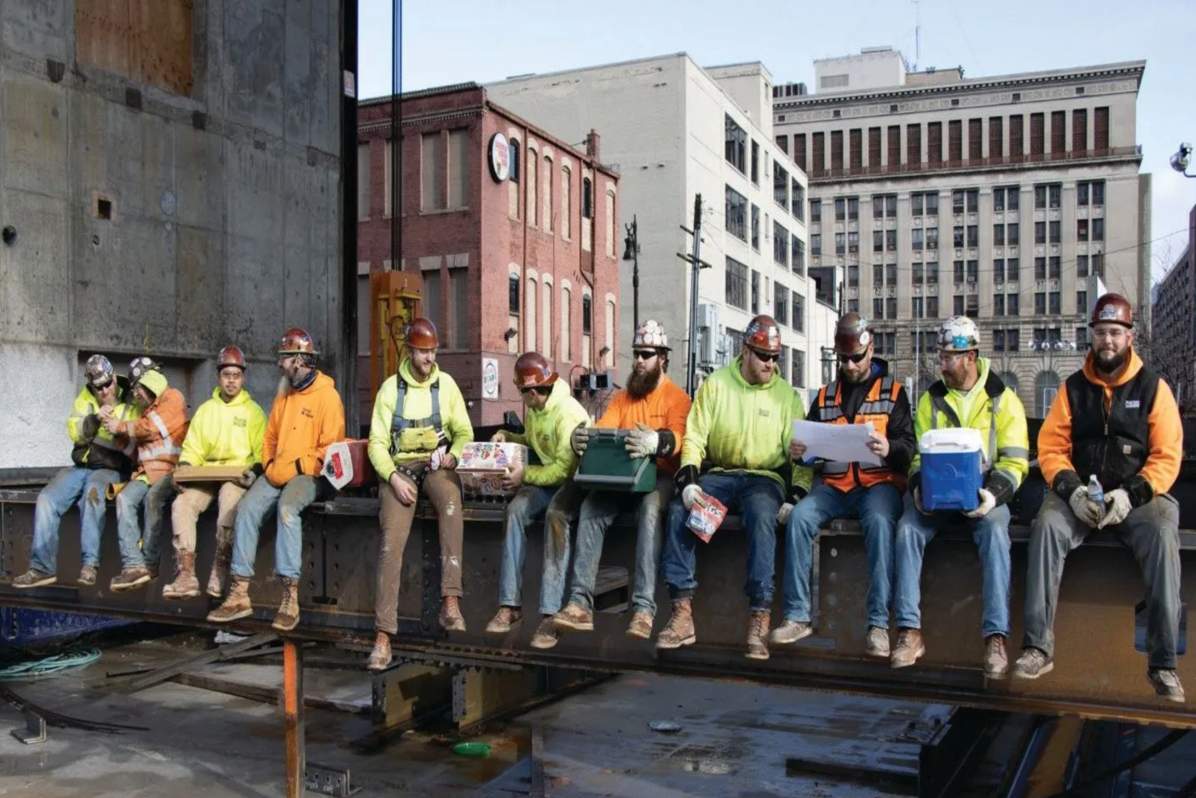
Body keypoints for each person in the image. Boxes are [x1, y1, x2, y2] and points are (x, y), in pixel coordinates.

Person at [1014, 294, 1185, 702]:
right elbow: (1051, 447)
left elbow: (1167, 455)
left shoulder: (1153, 388)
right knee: (1048, 526)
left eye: (1115, 333)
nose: (1107, 341)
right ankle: (1038, 647)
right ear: (1091, 337)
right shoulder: (1073, 389)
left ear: (1130, 337)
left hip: (1136, 496)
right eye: (1100, 333)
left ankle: (1163, 664)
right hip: (1082, 495)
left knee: (1163, 533)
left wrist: (1131, 494)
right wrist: (1071, 493)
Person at [656, 315, 812, 660]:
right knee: (684, 512)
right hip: (721, 477)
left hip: (764, 479)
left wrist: (796, 494)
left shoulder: (786, 397)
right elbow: (695, 435)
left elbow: (801, 455)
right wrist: (689, 479)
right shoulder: (716, 385)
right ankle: (682, 614)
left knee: (761, 516)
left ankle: (759, 616)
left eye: (775, 357)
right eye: (763, 356)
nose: (770, 364)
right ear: (745, 350)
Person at [891, 316, 1029, 677]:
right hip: (936, 494)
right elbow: (917, 455)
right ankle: (908, 631)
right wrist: (919, 486)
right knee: (907, 529)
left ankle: (995, 637)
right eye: (941, 356)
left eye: (949, 356)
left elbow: (1016, 461)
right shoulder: (930, 401)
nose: (942, 363)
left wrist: (994, 495)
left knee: (997, 534)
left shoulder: (1004, 401)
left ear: (971, 356)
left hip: (984, 494)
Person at [777, 313, 914, 656]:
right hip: (835, 487)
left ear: (871, 352)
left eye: (856, 358)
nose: (850, 366)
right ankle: (796, 616)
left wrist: (889, 448)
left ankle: (878, 624)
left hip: (878, 485)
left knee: (881, 523)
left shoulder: (893, 394)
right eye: (844, 359)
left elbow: (909, 450)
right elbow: (810, 449)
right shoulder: (825, 396)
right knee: (799, 518)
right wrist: (800, 452)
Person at [553, 320, 691, 640]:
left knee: (651, 510)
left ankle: (643, 608)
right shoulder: (622, 398)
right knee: (591, 507)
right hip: (623, 476)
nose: (639, 360)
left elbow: (681, 439)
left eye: (646, 354)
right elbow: (603, 429)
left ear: (662, 359)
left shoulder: (676, 399)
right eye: (636, 354)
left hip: (659, 476)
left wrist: (656, 443)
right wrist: (581, 438)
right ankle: (579, 604)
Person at [207, 327, 345, 631]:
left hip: (310, 475)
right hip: (277, 470)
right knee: (245, 509)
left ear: (298, 360)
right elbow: (269, 437)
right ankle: (239, 593)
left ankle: (289, 597)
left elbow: (329, 451)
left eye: (283, 359)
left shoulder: (328, 397)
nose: (279, 365)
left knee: (286, 509)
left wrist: (294, 467)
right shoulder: (284, 395)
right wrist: (269, 463)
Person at [366, 318, 475, 671]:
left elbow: (464, 432)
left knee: (450, 503)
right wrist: (393, 478)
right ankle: (383, 636)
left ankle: (450, 601)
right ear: (410, 351)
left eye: (433, 352)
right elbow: (377, 445)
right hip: (399, 471)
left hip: (436, 465)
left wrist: (454, 456)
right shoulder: (388, 390)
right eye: (423, 352)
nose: (429, 358)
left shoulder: (446, 387)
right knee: (390, 544)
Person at [485, 352, 590, 650]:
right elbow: (533, 443)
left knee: (556, 517)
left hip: (575, 482)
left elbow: (563, 470)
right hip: (546, 476)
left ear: (532, 391)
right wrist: (507, 435)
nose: (521, 396)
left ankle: (550, 611)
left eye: (521, 391)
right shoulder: (535, 409)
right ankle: (510, 605)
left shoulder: (566, 414)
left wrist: (524, 475)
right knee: (516, 509)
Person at [13, 356, 137, 588]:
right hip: (82, 466)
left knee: (91, 496)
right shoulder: (85, 398)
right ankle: (42, 568)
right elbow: (75, 430)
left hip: (111, 468)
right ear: (92, 386)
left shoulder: (130, 399)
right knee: (46, 499)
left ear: (113, 378)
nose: (105, 391)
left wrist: (119, 428)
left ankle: (90, 564)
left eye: (108, 384)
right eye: (98, 387)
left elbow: (137, 438)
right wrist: (94, 419)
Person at [164, 346, 267, 600]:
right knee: (182, 504)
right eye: (226, 374)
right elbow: (193, 448)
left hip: (236, 476)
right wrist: (186, 467)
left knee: (229, 504)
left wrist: (253, 471)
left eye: (236, 375)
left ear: (243, 378)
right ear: (218, 377)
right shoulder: (205, 411)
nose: (231, 380)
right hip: (207, 474)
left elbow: (261, 452)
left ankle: (220, 568)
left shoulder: (253, 413)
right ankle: (185, 574)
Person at [109, 357, 190, 592]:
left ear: (149, 382)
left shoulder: (172, 398)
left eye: (136, 389)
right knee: (124, 498)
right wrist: (116, 435)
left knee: (153, 498)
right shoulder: (146, 411)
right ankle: (134, 567)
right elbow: (137, 453)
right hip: (147, 472)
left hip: (171, 471)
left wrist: (120, 427)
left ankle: (150, 564)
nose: (135, 395)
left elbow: (150, 430)